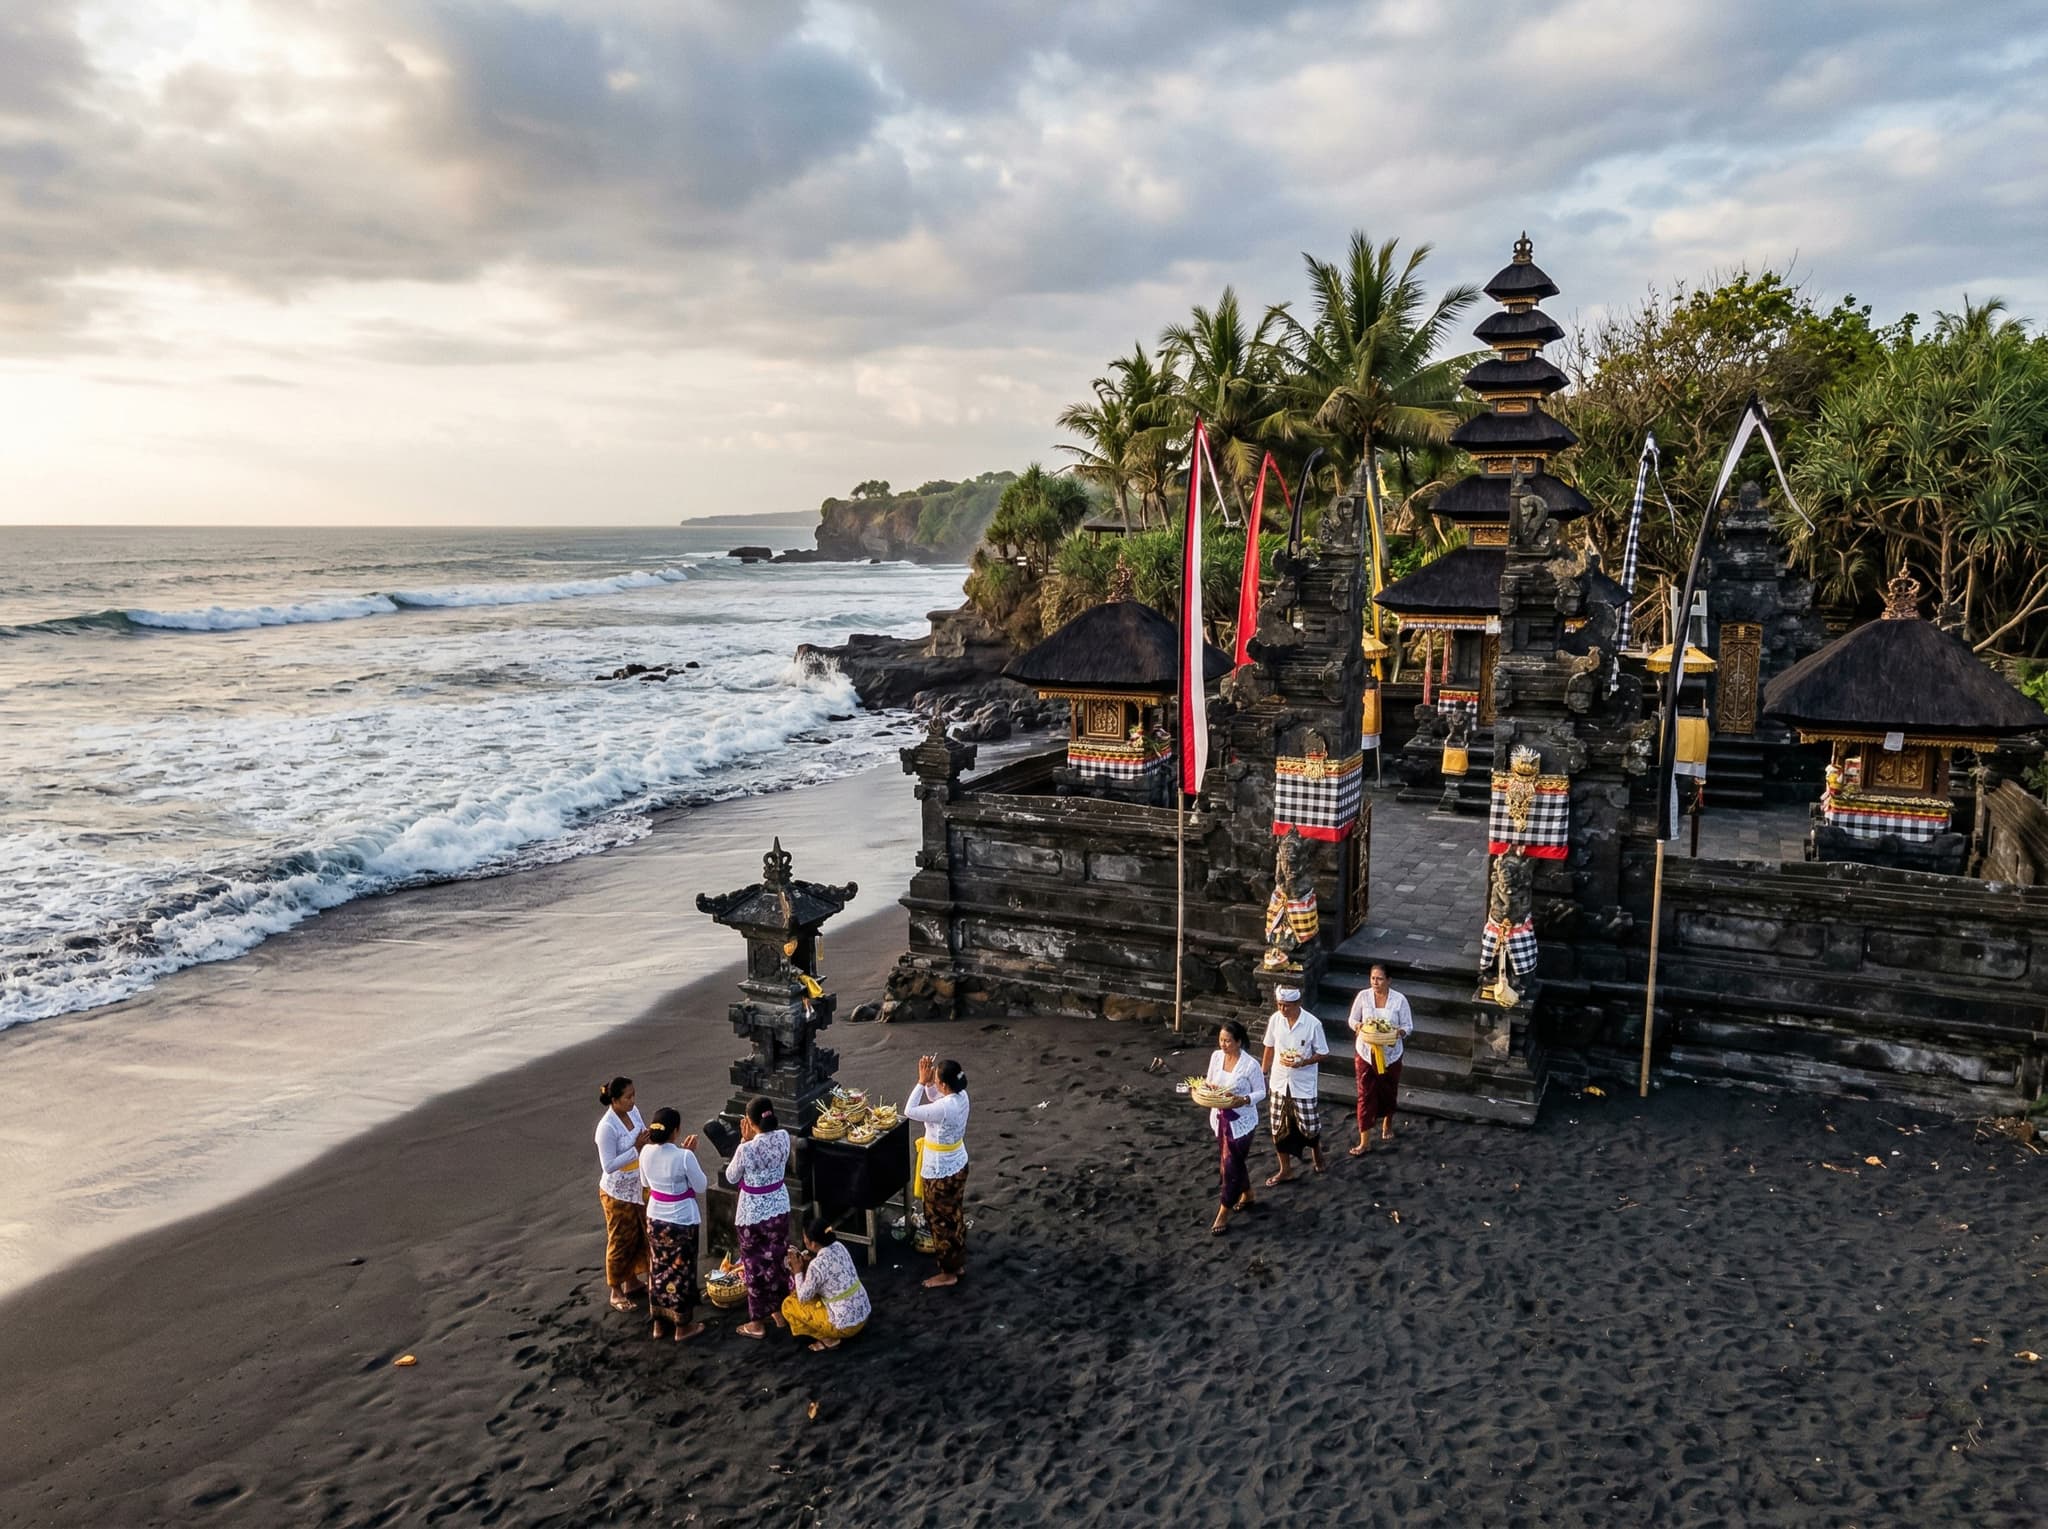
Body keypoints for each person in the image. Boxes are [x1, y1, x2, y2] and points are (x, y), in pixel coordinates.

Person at [724, 1096, 793, 1339]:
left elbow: (732, 1177)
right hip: (779, 1206)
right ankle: (780, 1312)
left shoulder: (746, 1149)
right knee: (777, 1262)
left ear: (750, 1122)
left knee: (754, 1268)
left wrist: (743, 1140)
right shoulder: (784, 1137)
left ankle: (757, 1322)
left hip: (752, 1214)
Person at [639, 1108, 707, 1342]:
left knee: (657, 1268)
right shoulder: (684, 1156)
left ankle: (658, 1322)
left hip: (655, 1218)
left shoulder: (645, 1152)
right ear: (676, 1131)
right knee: (681, 1272)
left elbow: (645, 1182)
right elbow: (700, 1186)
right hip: (681, 1220)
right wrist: (688, 1157)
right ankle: (682, 1326)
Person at [906, 1056, 970, 1289]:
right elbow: (936, 1101)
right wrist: (930, 1084)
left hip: (940, 1171)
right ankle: (957, 1262)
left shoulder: (945, 1107)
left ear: (944, 1085)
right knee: (954, 1214)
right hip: (959, 1163)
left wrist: (921, 1082)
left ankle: (948, 1272)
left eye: (936, 1080)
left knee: (939, 1222)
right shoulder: (961, 1097)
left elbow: (910, 1110)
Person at [1206, 1018, 1267, 1236]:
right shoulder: (1216, 1057)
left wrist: (1243, 1099)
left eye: (1228, 1041)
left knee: (1230, 1164)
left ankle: (1224, 1210)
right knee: (1231, 1161)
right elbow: (1209, 1081)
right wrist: (1207, 1088)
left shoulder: (1250, 1065)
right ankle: (1248, 1193)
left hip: (1242, 1121)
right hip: (1220, 1116)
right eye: (1221, 1040)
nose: (1223, 1045)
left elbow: (1261, 1092)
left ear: (1239, 1042)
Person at [1262, 985, 1329, 1184]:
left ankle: (1317, 1153)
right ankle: (1285, 1169)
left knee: (1309, 1124)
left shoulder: (1312, 1024)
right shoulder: (1275, 1020)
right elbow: (1269, 1047)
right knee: (1277, 1126)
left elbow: (1323, 1053)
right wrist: (1262, 1072)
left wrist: (1304, 1062)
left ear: (1298, 1004)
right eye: (1280, 1005)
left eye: (1287, 1006)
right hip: (1279, 1081)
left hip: (1303, 1083)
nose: (1283, 1010)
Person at [1347, 964, 1414, 1155]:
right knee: (1365, 1094)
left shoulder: (1399, 1000)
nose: (1375, 983)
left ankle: (1387, 1122)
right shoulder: (1363, 996)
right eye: (1372, 978)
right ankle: (1364, 1141)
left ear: (1389, 980)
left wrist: (1398, 1032)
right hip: (1366, 1051)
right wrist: (1359, 1026)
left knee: (1388, 1090)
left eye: (1380, 979)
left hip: (1391, 1053)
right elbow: (1352, 1020)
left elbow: (1408, 1026)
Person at [594, 1076, 648, 1312]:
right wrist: (635, 1149)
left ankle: (632, 1281)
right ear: (614, 1100)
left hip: (637, 1184)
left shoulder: (633, 1112)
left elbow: (642, 1133)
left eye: (634, 1095)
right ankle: (615, 1289)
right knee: (620, 1238)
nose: (632, 1100)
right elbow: (609, 1165)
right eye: (628, 1097)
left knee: (639, 1234)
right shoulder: (606, 1128)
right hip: (616, 1191)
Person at [781, 1215, 872, 1351]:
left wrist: (798, 1271)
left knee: (789, 1304)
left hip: (846, 1326)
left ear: (813, 1244)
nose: (804, 1240)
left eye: (805, 1237)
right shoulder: (839, 1246)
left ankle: (829, 1339)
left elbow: (803, 1297)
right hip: (863, 1312)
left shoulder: (816, 1266)